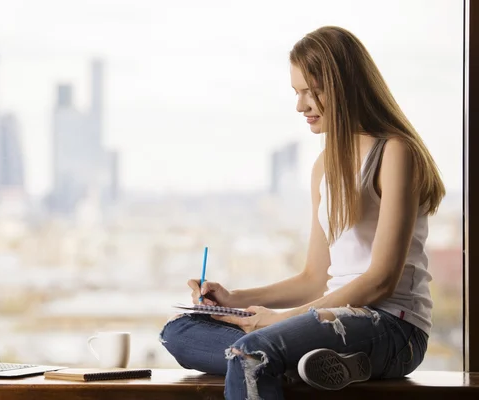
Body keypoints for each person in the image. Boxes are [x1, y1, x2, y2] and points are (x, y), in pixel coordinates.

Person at [159, 25, 445, 400]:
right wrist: (233, 300)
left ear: (346, 87)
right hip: (330, 319)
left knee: (250, 354)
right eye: (297, 92)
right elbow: (314, 277)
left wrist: (284, 321)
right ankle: (311, 360)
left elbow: (380, 282)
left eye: (313, 91)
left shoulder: (394, 152)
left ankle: (292, 355)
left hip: (393, 328)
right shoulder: (324, 166)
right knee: (179, 331)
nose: (301, 105)